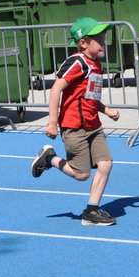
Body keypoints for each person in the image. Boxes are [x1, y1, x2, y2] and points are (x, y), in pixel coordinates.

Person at [31, 17, 120, 226]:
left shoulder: (97, 65)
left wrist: (106, 110)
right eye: (99, 40)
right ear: (83, 43)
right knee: (82, 175)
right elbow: (56, 89)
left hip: (94, 125)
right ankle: (49, 158)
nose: (104, 44)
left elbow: (91, 96)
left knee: (106, 164)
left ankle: (91, 211)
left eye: (104, 39)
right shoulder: (77, 62)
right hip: (74, 126)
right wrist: (52, 122)